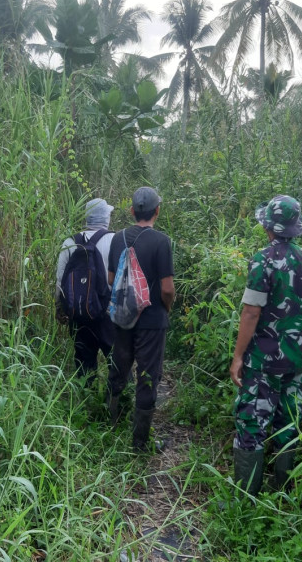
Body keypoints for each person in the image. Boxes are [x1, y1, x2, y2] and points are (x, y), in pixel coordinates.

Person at [230, 195, 302, 495]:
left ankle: (246, 499)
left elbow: (251, 312)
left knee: (252, 424)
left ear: (268, 227)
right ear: (296, 228)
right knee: (289, 422)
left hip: (262, 362)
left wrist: (237, 357)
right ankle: (283, 491)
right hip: (296, 361)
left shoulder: (263, 260)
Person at [107, 187, 175, 452]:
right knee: (147, 375)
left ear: (132, 211)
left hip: (123, 317)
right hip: (152, 320)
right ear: (157, 210)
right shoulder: (161, 241)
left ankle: (110, 424)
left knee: (119, 365)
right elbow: (167, 289)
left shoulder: (118, 238)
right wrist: (165, 308)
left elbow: (112, 280)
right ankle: (140, 443)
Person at [56, 198, 116, 385]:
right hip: (108, 314)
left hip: (78, 313)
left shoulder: (69, 242)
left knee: (84, 366)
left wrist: (60, 309)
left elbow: (60, 282)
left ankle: (84, 406)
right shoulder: (114, 240)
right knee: (117, 364)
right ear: (105, 217)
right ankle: (118, 407)